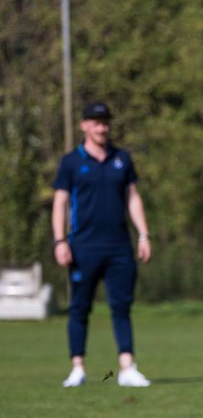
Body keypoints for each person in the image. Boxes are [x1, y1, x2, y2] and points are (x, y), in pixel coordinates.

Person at [51, 102, 153, 388]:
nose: (101, 127)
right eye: (95, 122)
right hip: (82, 247)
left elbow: (133, 198)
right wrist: (60, 240)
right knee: (79, 307)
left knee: (121, 306)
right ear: (84, 125)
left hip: (119, 246)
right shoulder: (71, 162)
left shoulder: (122, 159)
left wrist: (143, 234)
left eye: (105, 122)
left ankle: (126, 367)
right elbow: (60, 203)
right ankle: (78, 367)